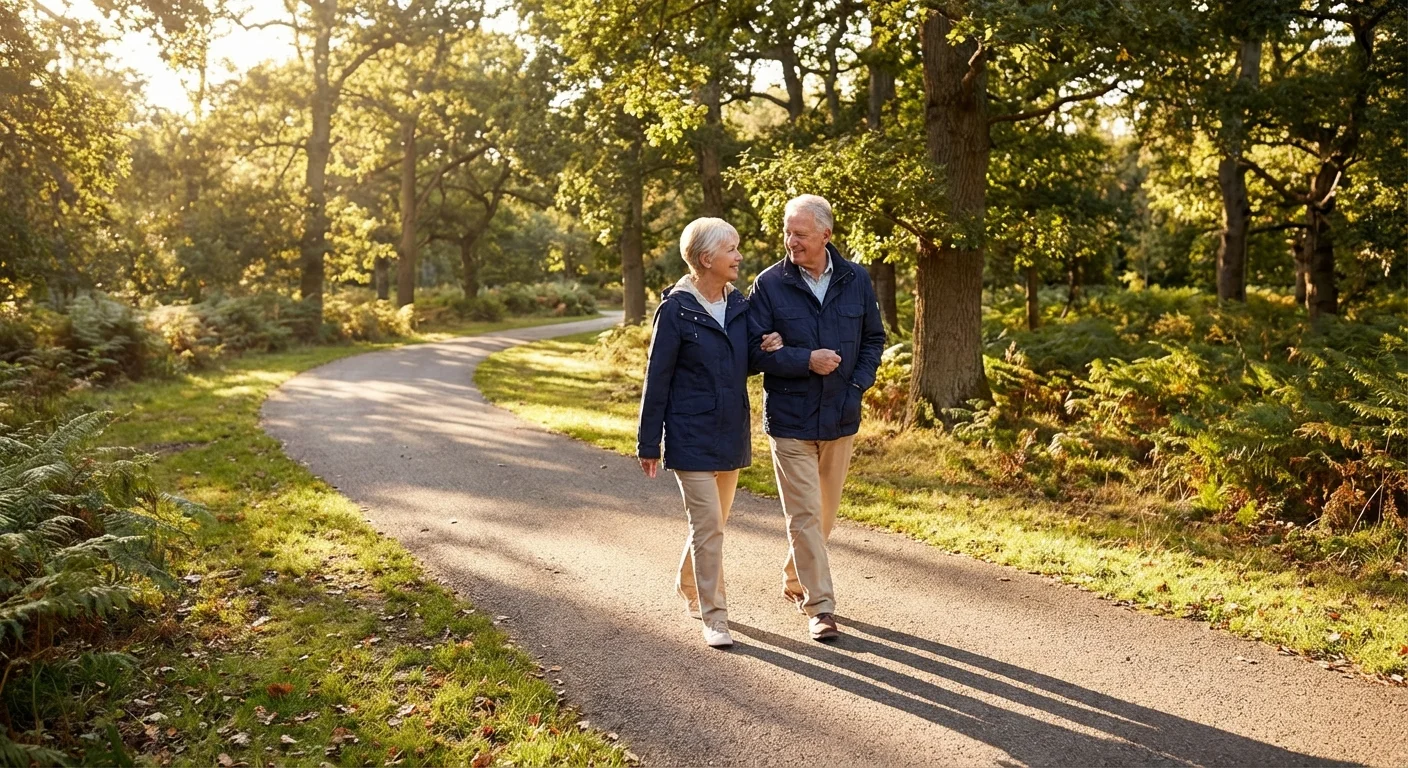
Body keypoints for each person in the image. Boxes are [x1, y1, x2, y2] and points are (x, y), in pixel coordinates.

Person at [637, 217, 782, 648]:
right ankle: (715, 616)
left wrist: (766, 346)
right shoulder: (676, 310)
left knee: (712, 524)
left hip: (730, 431)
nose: (739, 256)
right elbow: (656, 378)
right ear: (706, 259)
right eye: (732, 249)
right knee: (709, 527)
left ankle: (689, 585)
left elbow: (745, 359)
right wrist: (649, 441)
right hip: (689, 435)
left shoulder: (738, 304)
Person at [747, 194, 886, 641]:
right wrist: (804, 359)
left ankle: (795, 578)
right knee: (805, 515)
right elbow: (751, 354)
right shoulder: (768, 284)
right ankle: (820, 607)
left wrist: (857, 384)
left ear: (826, 234)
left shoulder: (856, 279)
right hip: (790, 419)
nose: (791, 241)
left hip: (840, 416)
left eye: (800, 233)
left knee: (822, 516)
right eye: (787, 232)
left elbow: (873, 339)